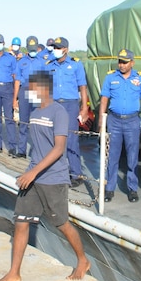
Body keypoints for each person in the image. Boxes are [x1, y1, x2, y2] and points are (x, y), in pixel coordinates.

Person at [0, 70, 90, 281]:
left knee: (61, 223)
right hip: (34, 176)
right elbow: (36, 147)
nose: (30, 91)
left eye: (33, 88)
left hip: (53, 178)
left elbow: (59, 149)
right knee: (21, 221)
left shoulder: (59, 112)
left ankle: (82, 260)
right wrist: (31, 171)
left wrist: (33, 172)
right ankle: (14, 272)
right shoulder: (35, 113)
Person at [98, 49, 141, 202]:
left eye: (125, 62)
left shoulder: (140, 78)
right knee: (112, 155)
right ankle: (109, 189)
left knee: (132, 156)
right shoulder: (110, 77)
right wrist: (102, 120)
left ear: (132, 63)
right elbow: (104, 99)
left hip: (132, 121)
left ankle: (132, 189)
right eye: (120, 61)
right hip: (114, 120)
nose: (121, 65)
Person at [46, 37, 88, 186]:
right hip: (54, 105)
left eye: (59, 47)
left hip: (70, 105)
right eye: (55, 47)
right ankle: (56, 171)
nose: (56, 50)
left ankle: (76, 174)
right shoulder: (48, 65)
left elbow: (82, 87)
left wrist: (84, 108)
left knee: (71, 139)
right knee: (52, 138)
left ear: (66, 49)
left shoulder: (76, 65)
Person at [13, 36, 47, 158]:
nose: (33, 51)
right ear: (27, 48)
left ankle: (38, 151)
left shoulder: (42, 61)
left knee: (38, 123)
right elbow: (17, 81)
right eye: (30, 49)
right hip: (24, 91)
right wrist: (15, 99)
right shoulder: (21, 62)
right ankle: (21, 151)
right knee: (23, 122)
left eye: (34, 49)